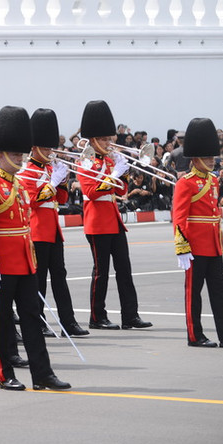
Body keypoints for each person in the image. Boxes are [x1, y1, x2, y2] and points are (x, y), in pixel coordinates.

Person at [0, 106, 70, 391]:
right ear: (1, 154)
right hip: (3, 265)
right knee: (1, 321)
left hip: (26, 262)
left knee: (31, 318)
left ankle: (42, 373)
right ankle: (4, 374)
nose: (21, 158)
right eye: (16, 154)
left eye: (21, 154)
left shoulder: (18, 183)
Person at [172, 118, 223, 349]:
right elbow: (179, 217)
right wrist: (182, 247)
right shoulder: (186, 183)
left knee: (219, 292)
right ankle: (195, 335)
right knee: (193, 295)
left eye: (211, 156)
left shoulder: (213, 180)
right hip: (194, 246)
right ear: (195, 158)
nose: (211, 160)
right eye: (206, 157)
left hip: (213, 245)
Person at [78, 100, 152, 331]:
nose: (108, 143)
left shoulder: (110, 160)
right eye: (103, 139)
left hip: (113, 219)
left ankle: (130, 315)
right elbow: (90, 191)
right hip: (97, 222)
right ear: (91, 140)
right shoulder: (86, 162)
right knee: (101, 273)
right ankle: (97, 316)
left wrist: (123, 171)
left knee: (124, 269)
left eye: (109, 139)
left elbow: (121, 191)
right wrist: (113, 175)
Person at [25, 109, 88, 338]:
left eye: (51, 147)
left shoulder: (50, 168)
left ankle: (68, 321)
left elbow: (60, 200)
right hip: (38, 230)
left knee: (60, 277)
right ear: (34, 148)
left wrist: (62, 180)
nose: (50, 152)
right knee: (38, 281)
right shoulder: (27, 171)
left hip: (53, 230)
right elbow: (31, 200)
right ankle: (39, 322)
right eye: (46, 148)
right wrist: (52, 181)